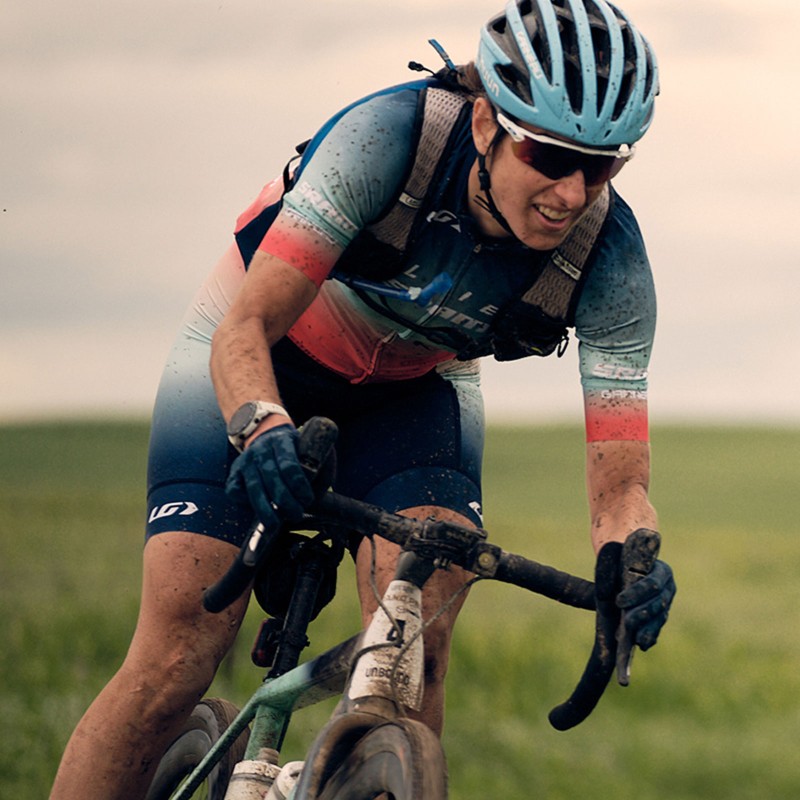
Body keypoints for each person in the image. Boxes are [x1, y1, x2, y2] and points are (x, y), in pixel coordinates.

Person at [51, 1, 676, 797]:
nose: (571, 191)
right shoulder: (387, 139)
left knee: (415, 651)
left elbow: (621, 486)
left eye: (604, 165)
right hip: (261, 358)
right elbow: (244, 328)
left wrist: (633, 560)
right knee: (176, 655)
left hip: (412, 389)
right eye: (549, 155)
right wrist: (260, 425)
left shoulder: (612, 257)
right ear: (487, 121)